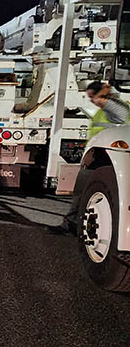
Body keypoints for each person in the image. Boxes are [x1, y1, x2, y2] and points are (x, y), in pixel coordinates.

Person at [47, 81, 129, 235]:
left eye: (92, 97)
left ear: (101, 95)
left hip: (104, 158)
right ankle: (75, 225)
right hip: (102, 156)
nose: (91, 100)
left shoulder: (114, 108)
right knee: (83, 194)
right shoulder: (105, 110)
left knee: (82, 193)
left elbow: (120, 119)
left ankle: (73, 226)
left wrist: (103, 97)